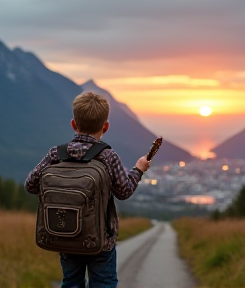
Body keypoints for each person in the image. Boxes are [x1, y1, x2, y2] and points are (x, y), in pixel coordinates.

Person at [25, 91, 151, 288]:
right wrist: (138, 170)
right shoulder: (108, 156)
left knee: (71, 282)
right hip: (101, 240)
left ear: (73, 124)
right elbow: (124, 191)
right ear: (105, 127)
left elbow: (30, 185)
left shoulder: (56, 154)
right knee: (103, 283)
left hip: (64, 234)